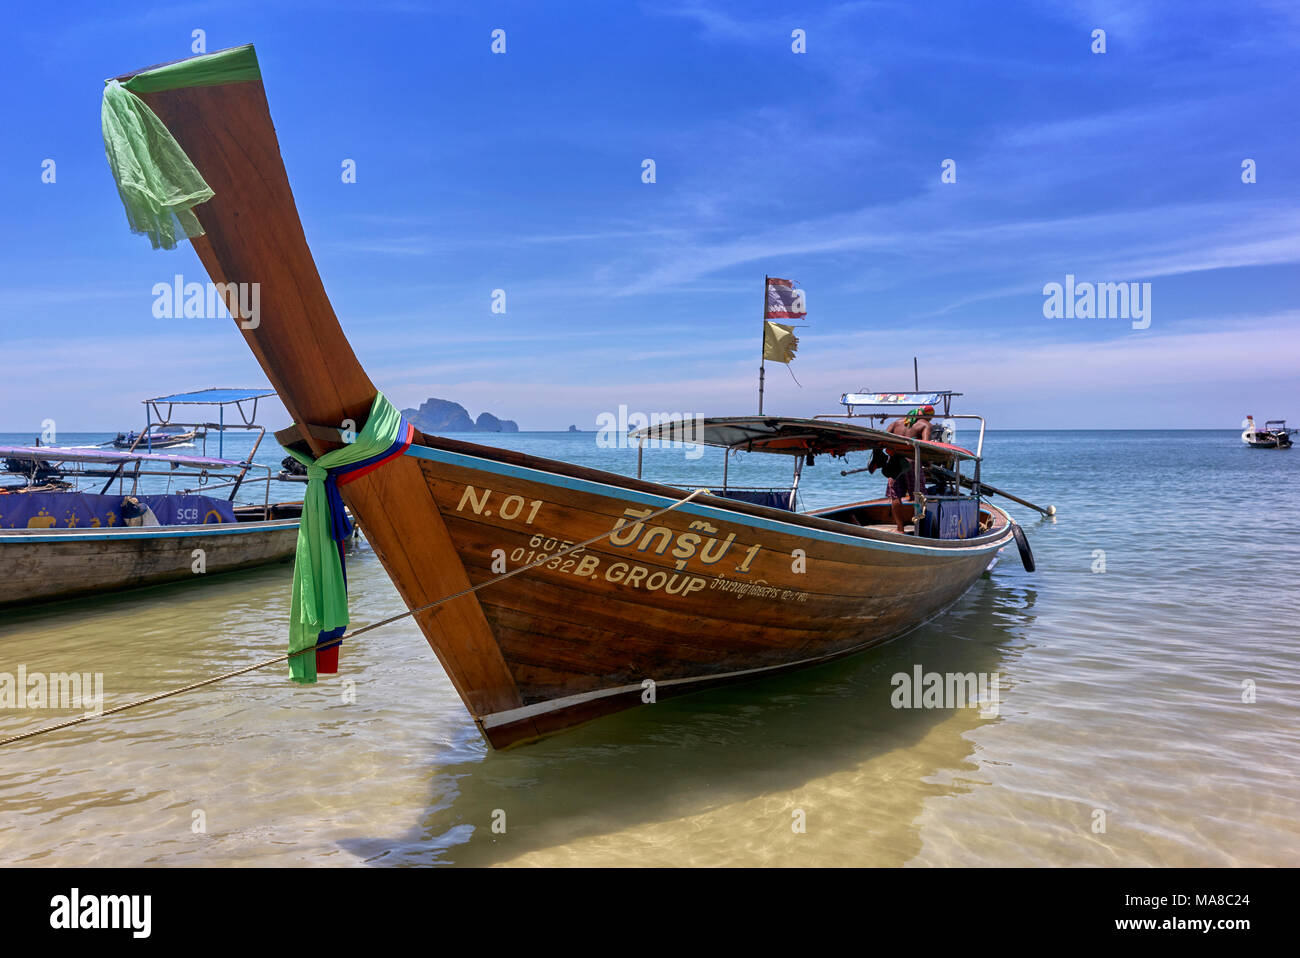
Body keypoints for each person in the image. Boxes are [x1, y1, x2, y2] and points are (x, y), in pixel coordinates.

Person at [882, 406, 935, 532]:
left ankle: (900, 528)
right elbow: (924, 446)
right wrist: (928, 463)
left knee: (896, 496)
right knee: (919, 495)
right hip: (912, 462)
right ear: (927, 416)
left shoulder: (895, 423)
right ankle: (920, 528)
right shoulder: (925, 425)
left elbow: (883, 440)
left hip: (894, 462)